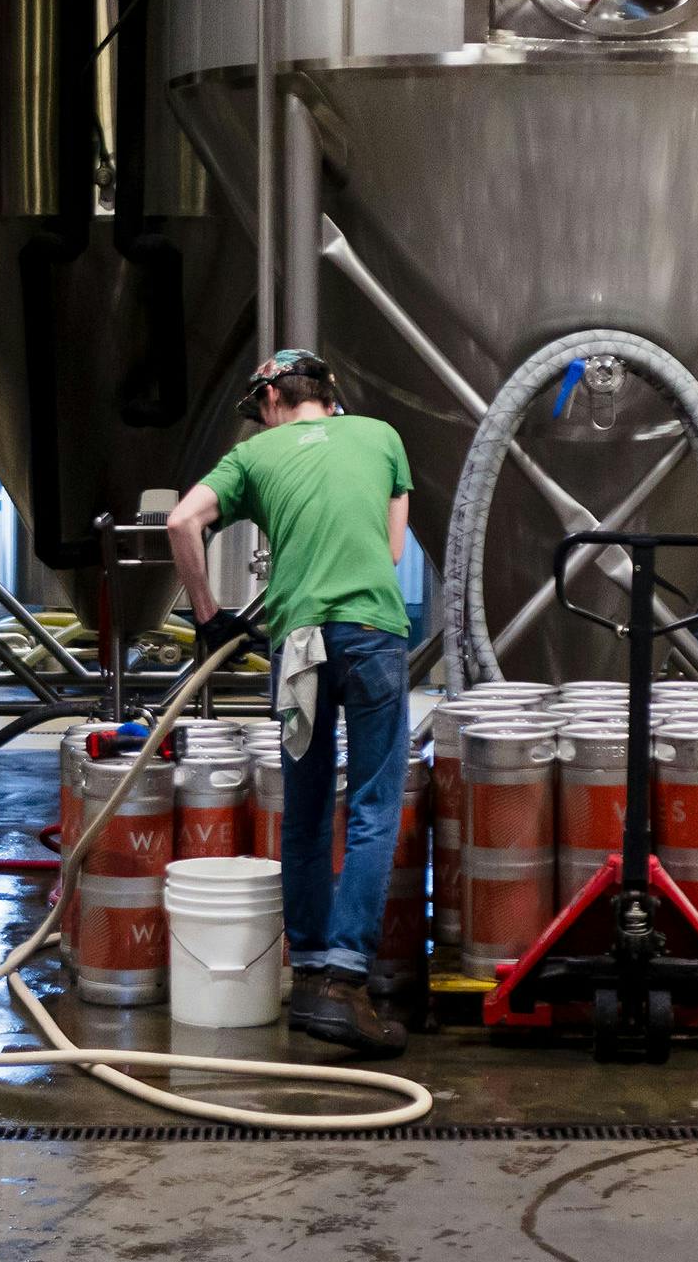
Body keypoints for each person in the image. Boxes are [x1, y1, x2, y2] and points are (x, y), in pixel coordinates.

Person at [167, 349, 415, 1058]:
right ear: (328, 394)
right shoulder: (382, 437)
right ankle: (344, 979)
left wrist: (210, 615)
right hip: (371, 635)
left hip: (298, 642)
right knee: (370, 808)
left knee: (303, 812)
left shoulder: (256, 453)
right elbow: (391, 551)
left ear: (271, 396)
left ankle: (309, 975)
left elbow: (182, 523)